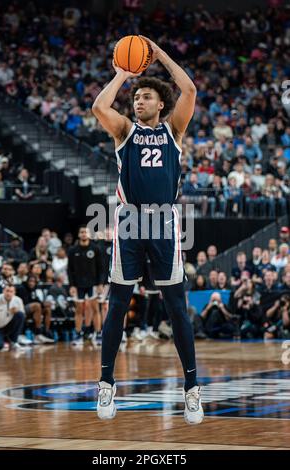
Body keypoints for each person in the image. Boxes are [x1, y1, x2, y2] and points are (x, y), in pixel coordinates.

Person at [92, 35, 203, 424]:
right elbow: (98, 106)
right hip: (129, 222)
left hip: (164, 223)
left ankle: (192, 388)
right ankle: (106, 384)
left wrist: (160, 56)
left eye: (145, 97)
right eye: (136, 97)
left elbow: (188, 88)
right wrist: (123, 73)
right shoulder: (124, 131)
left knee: (176, 307)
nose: (138, 101)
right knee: (117, 304)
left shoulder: (174, 129)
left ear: (160, 104)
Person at [0, 285, 25, 351]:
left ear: (14, 292)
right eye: (7, 291)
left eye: (11, 291)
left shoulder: (18, 300)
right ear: (3, 291)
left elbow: (23, 317)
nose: (9, 293)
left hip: (9, 327)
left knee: (20, 314)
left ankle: (14, 341)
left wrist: (17, 311)